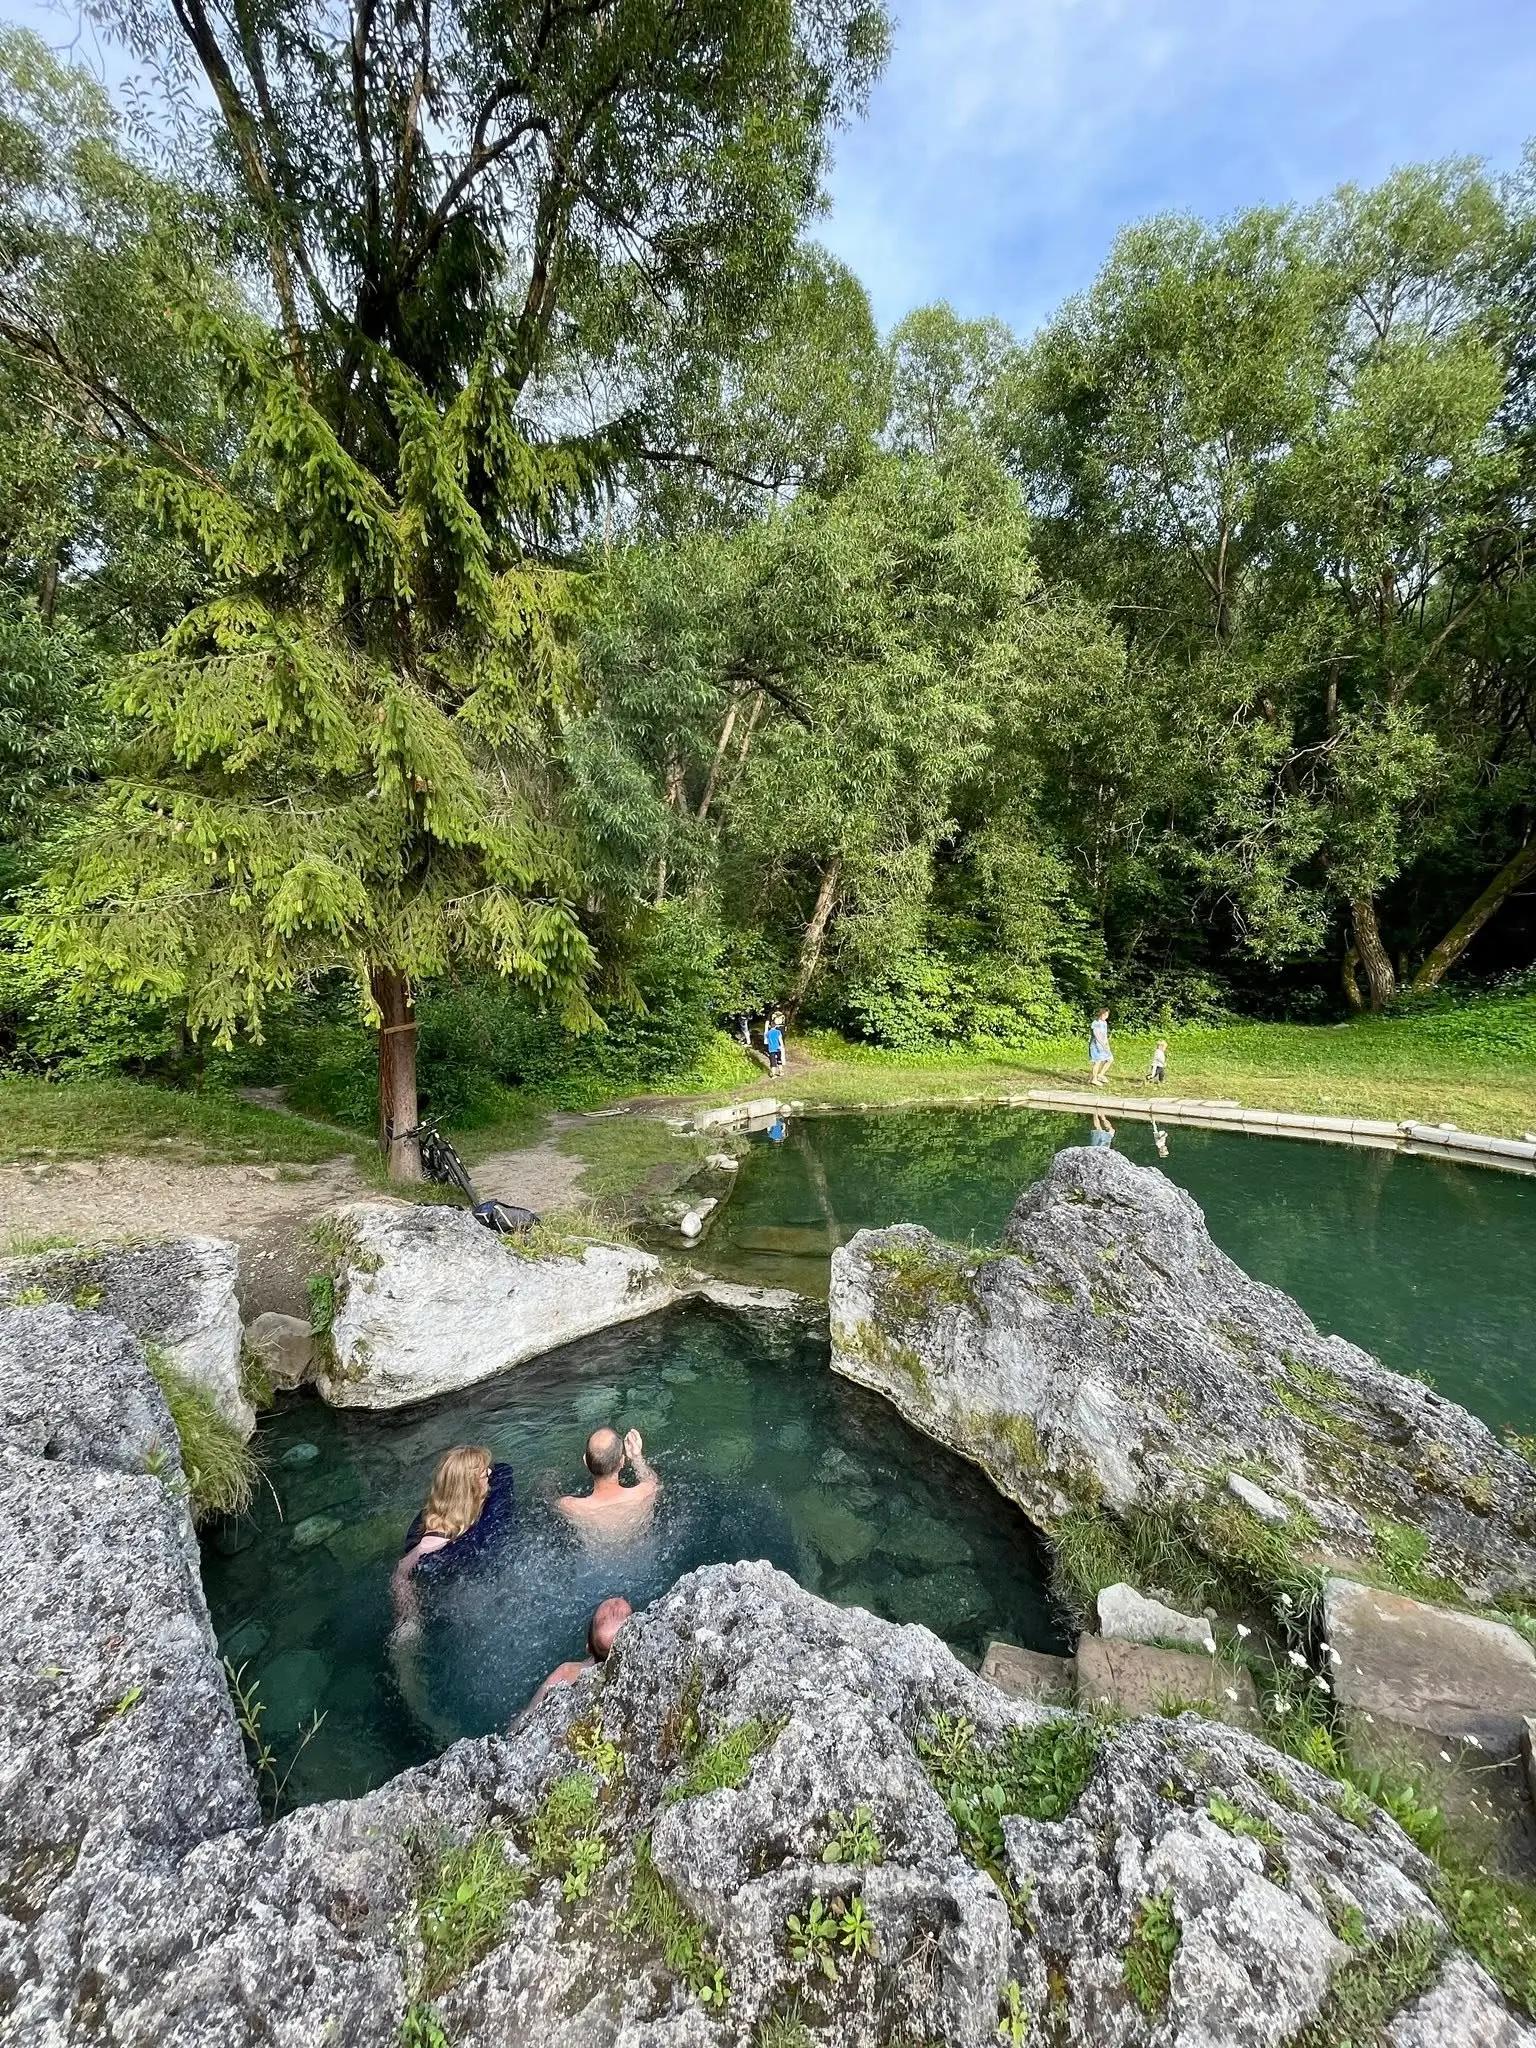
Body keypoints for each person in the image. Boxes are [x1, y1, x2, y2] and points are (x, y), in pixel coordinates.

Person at [393, 1443, 511, 1629]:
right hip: (456, 1594)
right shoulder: (436, 1537)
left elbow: (501, 1471)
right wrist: (409, 1619)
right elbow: (402, 1571)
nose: (490, 1473)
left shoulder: (465, 1510)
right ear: (469, 1488)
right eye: (484, 1474)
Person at [524, 1596, 634, 1713]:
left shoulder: (567, 1672)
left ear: (588, 1648)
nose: (613, 1608)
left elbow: (527, 1716)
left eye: (601, 1621)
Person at [556, 1426, 660, 1543]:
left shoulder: (570, 1506)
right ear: (622, 1461)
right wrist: (637, 1458)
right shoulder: (644, 1494)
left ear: (585, 1461)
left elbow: (550, 1499)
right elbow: (653, 1481)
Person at [1089, 1008, 1114, 1087]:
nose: (1106, 1017)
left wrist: (1107, 1045)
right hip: (1096, 1046)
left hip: (1104, 1045)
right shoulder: (1095, 1023)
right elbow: (1097, 1036)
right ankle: (1094, 1079)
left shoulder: (1104, 1023)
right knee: (1097, 1061)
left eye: (1107, 1015)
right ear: (1100, 1014)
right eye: (1104, 1014)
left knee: (1110, 1059)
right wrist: (1102, 1044)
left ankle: (1101, 1075)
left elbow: (1105, 1035)